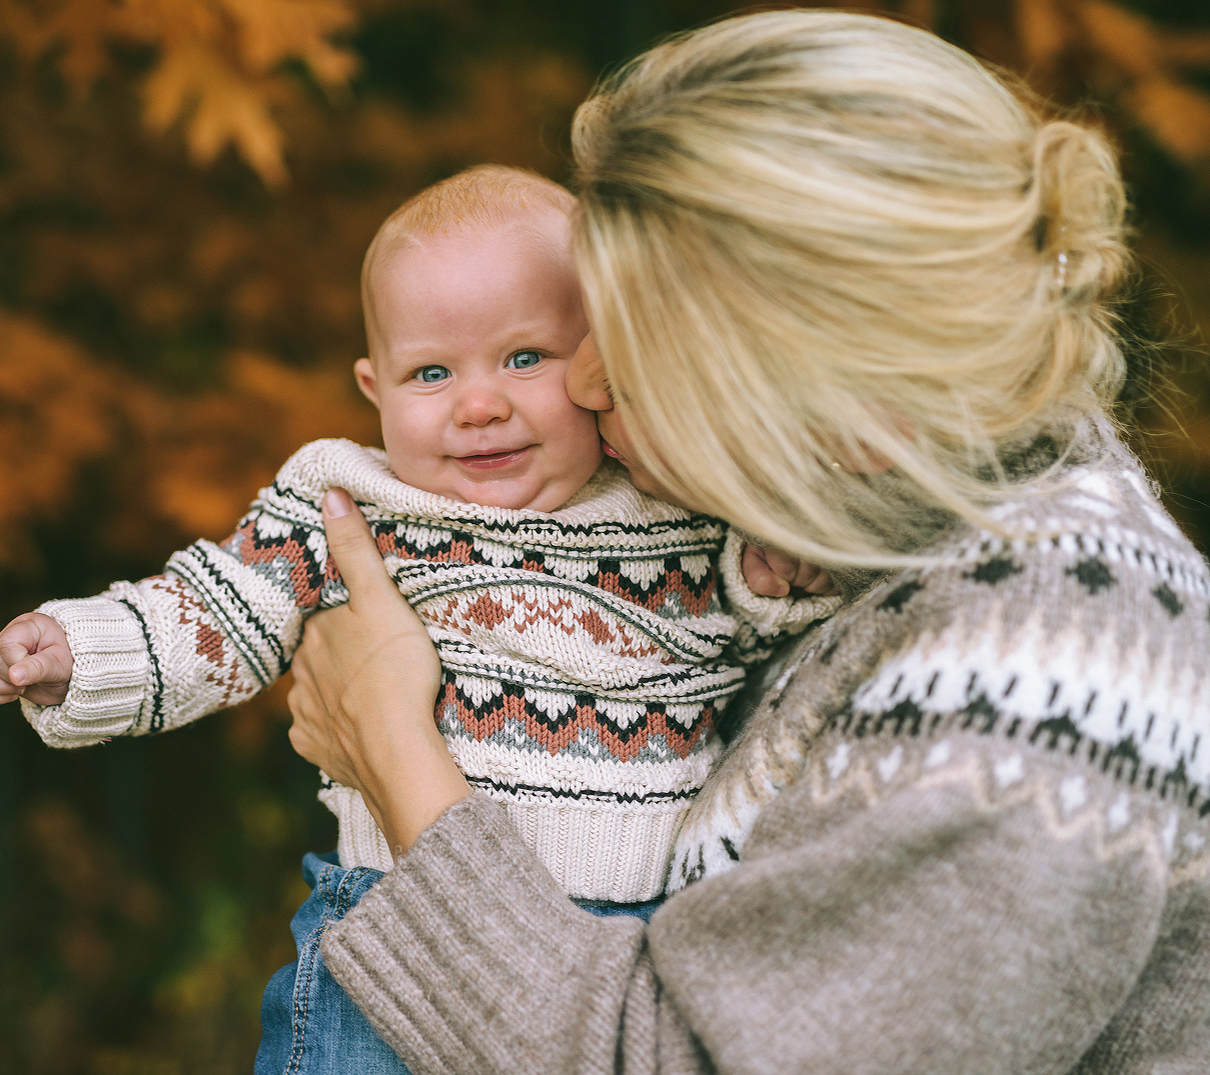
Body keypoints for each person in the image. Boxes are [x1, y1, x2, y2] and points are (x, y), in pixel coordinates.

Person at [283, 11, 1210, 1075]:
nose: (579, 389)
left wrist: (398, 754)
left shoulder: (1040, 691)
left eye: (630, 359)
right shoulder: (864, 538)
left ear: (818, 382)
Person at [0, 165, 836, 1073]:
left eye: (525, 358)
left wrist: (775, 575)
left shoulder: (676, 510)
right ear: (373, 388)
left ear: (598, 363)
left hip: (633, 946)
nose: (479, 403)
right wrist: (83, 651)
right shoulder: (356, 503)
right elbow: (219, 611)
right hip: (387, 933)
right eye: (431, 372)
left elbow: (750, 635)